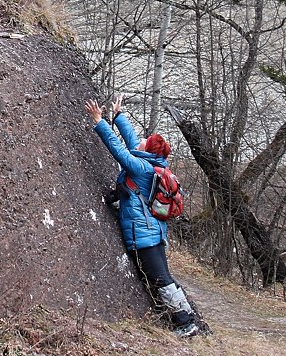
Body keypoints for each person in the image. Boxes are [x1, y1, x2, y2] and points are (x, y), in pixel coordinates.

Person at [86, 96, 201, 338]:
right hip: (153, 232)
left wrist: (100, 122)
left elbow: (119, 151)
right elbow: (131, 142)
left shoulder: (141, 168)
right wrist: (118, 117)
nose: (140, 143)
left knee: (161, 279)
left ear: (147, 150)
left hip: (144, 235)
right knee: (163, 277)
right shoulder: (154, 163)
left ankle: (186, 322)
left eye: (144, 142)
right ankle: (187, 319)